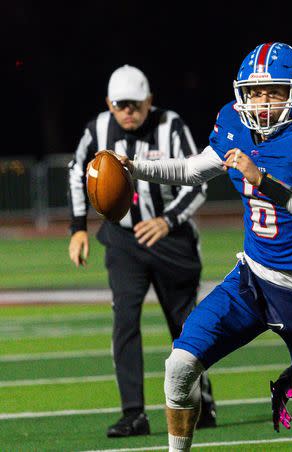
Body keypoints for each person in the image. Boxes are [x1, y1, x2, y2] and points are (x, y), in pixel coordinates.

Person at [116, 42, 292, 452]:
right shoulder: (234, 125)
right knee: (180, 365)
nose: (262, 102)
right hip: (252, 280)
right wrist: (136, 168)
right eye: (255, 92)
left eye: (274, 92)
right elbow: (193, 170)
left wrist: (263, 181)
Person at [67, 65, 216, 437]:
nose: (129, 111)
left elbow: (196, 182)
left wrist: (166, 221)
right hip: (123, 241)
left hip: (171, 240)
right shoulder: (97, 128)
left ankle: (201, 401)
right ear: (109, 104)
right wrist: (78, 228)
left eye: (136, 104)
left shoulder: (171, 125)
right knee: (125, 324)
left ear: (150, 101)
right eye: (121, 105)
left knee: (185, 325)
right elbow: (76, 172)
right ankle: (133, 412)